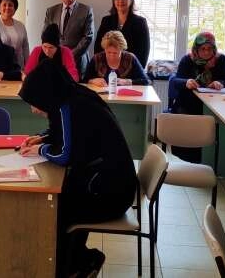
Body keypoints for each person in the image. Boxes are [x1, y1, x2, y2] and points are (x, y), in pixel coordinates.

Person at [18, 60, 137, 278]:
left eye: (34, 102)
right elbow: (68, 134)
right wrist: (42, 138)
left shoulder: (69, 106)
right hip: (113, 185)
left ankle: (75, 266)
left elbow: (65, 155)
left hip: (109, 195)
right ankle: (80, 261)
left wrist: (41, 149)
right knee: (60, 203)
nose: (33, 109)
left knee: (53, 210)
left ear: (46, 95)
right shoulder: (75, 95)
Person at [167, 31, 225, 162]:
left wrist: (220, 83)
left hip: (214, 105)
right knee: (188, 123)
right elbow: (175, 81)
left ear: (214, 49)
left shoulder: (221, 60)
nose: (206, 52)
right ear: (196, 49)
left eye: (209, 49)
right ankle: (187, 158)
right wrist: (186, 82)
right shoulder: (188, 60)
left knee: (218, 123)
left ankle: (209, 159)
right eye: (203, 49)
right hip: (188, 103)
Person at [43, 0, 95, 76]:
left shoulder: (86, 10)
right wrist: (55, 54)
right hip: (55, 61)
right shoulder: (51, 11)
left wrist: (69, 56)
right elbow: (45, 36)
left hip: (77, 62)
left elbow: (88, 37)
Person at [93, 0, 150, 67]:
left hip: (131, 68)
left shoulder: (140, 22)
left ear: (131, 0)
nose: (121, 1)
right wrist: (101, 66)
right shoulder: (106, 20)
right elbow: (98, 47)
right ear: (114, 1)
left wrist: (137, 68)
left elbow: (144, 51)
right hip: (107, 67)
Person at [84, 31, 150, 86]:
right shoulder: (97, 59)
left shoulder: (130, 58)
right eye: (108, 52)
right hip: (100, 96)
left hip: (125, 96)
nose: (111, 56)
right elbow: (84, 80)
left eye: (115, 53)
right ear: (104, 49)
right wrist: (92, 81)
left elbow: (146, 81)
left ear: (122, 49)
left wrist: (127, 81)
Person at [0, 0, 29, 69]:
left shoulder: (21, 25)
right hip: (0, 67)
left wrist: (28, 65)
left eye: (10, 5)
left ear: (15, 8)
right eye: (4, 5)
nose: (7, 7)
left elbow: (25, 47)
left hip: (19, 66)